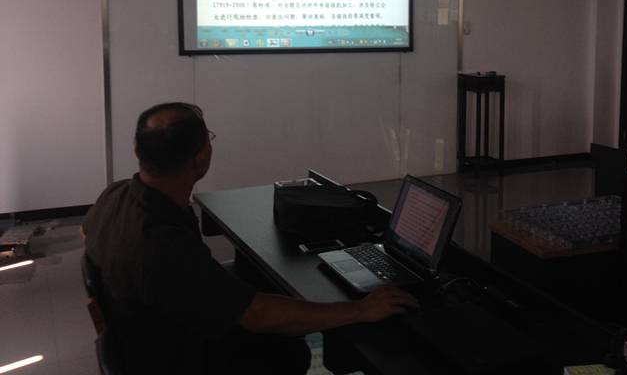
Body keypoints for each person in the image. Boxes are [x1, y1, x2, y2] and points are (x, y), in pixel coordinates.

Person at [82, 102, 418, 375]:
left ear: (137, 150)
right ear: (201, 158)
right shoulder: (163, 246)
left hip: (144, 340)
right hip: (181, 359)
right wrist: (359, 310)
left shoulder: (114, 195)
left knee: (261, 282)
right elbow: (257, 315)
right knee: (288, 348)